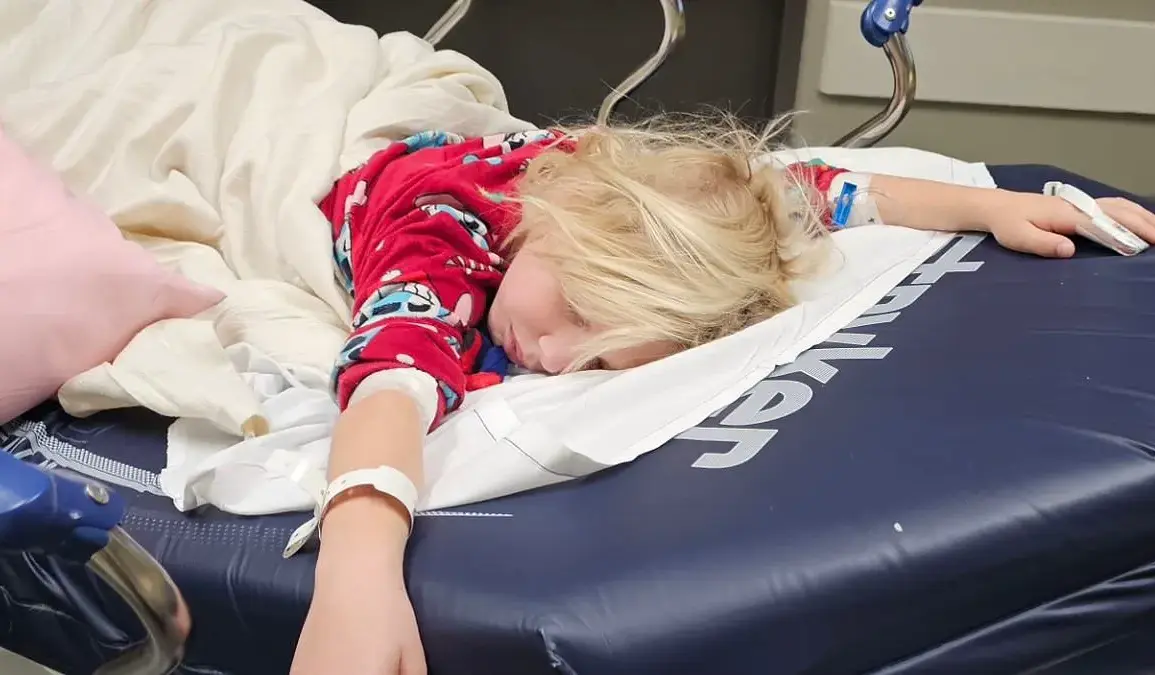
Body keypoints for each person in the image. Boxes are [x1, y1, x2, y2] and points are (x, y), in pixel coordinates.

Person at [288, 115, 1155, 675]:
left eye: (597, 360)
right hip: (382, 159)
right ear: (554, 225)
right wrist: (357, 572)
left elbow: (823, 190)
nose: (550, 359)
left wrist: (994, 207)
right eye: (576, 310)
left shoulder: (657, 207)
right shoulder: (437, 242)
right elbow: (388, 389)